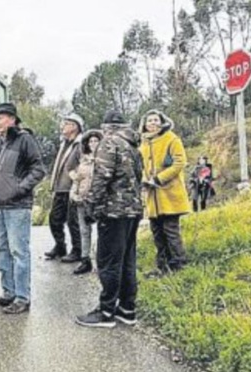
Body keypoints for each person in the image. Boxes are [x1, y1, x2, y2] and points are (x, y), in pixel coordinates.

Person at [75, 110, 143, 328]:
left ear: (107, 127)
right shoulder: (133, 146)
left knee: (109, 262)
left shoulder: (109, 143)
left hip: (113, 212)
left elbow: (101, 178)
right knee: (127, 261)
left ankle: (106, 311)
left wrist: (90, 206)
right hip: (132, 210)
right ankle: (127, 309)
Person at [0, 102, 46, 314]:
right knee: (2, 250)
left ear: (12, 119)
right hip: (1, 206)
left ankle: (22, 297)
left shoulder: (24, 139)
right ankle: (8, 292)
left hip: (18, 206)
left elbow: (39, 169)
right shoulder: (1, 143)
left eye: (1, 117)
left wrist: (19, 188)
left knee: (19, 251)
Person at [139, 109, 190, 275]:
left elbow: (180, 162)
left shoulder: (171, 139)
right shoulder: (143, 144)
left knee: (171, 231)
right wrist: (144, 180)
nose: (153, 123)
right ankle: (163, 266)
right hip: (152, 197)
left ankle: (179, 265)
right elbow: (141, 167)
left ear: (161, 122)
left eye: (156, 120)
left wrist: (159, 178)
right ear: (144, 125)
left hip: (169, 194)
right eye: (149, 121)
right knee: (157, 233)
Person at [44, 113, 84, 263]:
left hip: (72, 188)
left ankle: (78, 250)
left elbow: (84, 165)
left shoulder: (80, 144)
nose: (62, 126)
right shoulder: (64, 143)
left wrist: (78, 182)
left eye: (66, 123)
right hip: (60, 188)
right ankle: (60, 246)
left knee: (73, 222)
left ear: (74, 126)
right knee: (54, 219)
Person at [69, 129, 103, 275]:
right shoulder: (83, 160)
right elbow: (77, 179)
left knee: (102, 231)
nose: (93, 144)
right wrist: (74, 194)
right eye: (91, 141)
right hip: (82, 200)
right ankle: (85, 259)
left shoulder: (104, 159)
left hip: (99, 200)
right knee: (84, 230)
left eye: (96, 141)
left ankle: (101, 260)